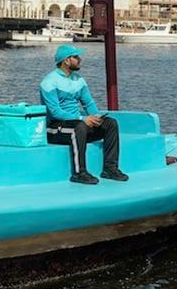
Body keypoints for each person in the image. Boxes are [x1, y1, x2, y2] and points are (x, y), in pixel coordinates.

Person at [40, 44, 125, 185]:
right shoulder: (49, 82)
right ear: (67, 60)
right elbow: (55, 112)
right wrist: (82, 119)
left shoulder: (79, 80)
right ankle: (79, 173)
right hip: (55, 128)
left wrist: (96, 117)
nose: (80, 59)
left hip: (78, 124)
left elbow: (88, 103)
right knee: (79, 127)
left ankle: (110, 168)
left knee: (110, 123)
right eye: (76, 57)